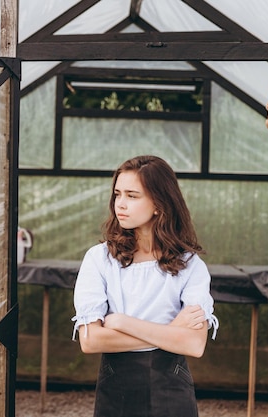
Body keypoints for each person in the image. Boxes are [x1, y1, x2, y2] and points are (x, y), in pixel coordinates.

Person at [71, 155, 218, 417]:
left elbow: (194, 345)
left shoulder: (190, 264)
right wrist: (171, 333)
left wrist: (120, 322)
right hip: (116, 389)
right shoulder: (99, 259)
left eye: (132, 195)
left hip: (172, 389)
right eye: (117, 194)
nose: (120, 204)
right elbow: (91, 340)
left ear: (159, 204)